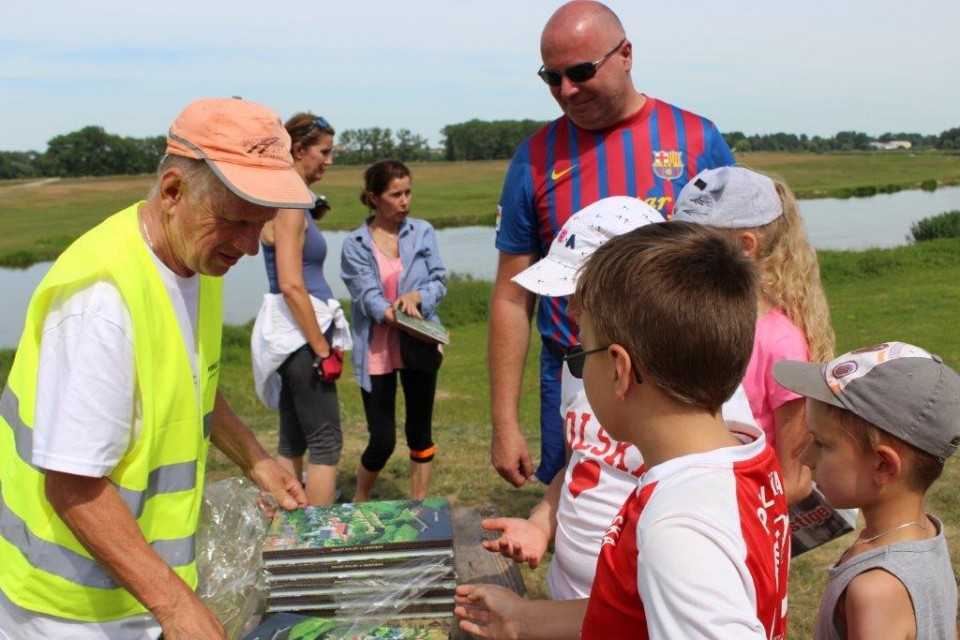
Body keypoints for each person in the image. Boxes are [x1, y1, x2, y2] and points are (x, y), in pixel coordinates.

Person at [0, 97, 311, 640]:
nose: (247, 246)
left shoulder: (193, 258)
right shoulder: (102, 304)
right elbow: (72, 485)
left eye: (261, 224)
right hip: (70, 609)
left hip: (137, 586)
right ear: (172, 191)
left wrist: (255, 458)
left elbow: (190, 384)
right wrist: (176, 606)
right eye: (235, 221)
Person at [457, 222, 789, 639]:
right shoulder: (748, 461)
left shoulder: (678, 528)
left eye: (583, 353)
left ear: (619, 369)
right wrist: (520, 619)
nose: (579, 366)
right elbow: (640, 609)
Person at [490, 0, 737, 487]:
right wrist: (504, 422)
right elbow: (511, 296)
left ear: (625, 55)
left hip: (679, 375)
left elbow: (741, 268)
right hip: (574, 372)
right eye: (552, 77)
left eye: (581, 72)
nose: (567, 90)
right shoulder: (534, 158)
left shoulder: (695, 138)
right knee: (576, 514)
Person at [774, 343, 959, 639]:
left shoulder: (874, 591)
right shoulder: (926, 534)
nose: (805, 457)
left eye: (821, 443)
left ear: (883, 465)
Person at [673, 166, 834, 505]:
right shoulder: (696, 322)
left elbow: (795, 480)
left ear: (746, 245)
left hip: (742, 516)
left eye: (695, 242)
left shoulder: (780, 344)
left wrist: (729, 520)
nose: (678, 255)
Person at [251, 113, 350, 506]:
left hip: (293, 334)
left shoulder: (287, 199)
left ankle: (286, 527)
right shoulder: (290, 202)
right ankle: (319, 535)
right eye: (323, 152)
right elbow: (292, 284)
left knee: (293, 439)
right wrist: (322, 350)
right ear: (298, 150)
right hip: (301, 335)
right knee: (326, 442)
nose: (329, 160)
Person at [341, 160, 447, 501]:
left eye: (408, 192)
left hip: (418, 346)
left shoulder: (423, 232)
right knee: (382, 440)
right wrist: (398, 318)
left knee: (420, 432)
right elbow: (367, 298)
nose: (404, 201)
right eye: (395, 194)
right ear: (374, 198)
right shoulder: (355, 243)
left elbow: (439, 281)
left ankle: (419, 507)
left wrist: (418, 297)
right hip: (377, 349)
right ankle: (359, 501)